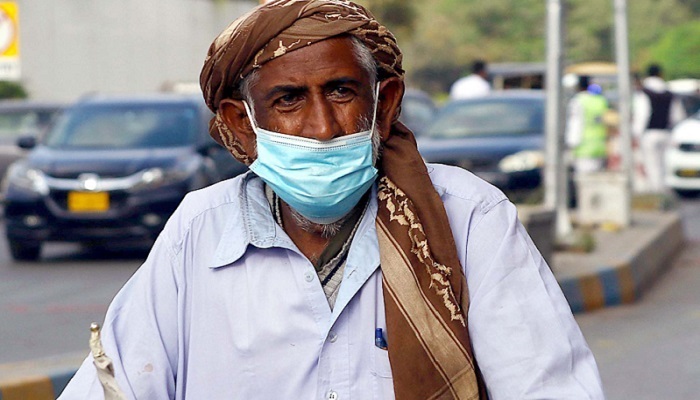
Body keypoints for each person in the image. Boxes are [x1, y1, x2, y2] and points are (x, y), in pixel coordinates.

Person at [59, 1, 604, 399]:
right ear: (241, 125)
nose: (321, 127)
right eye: (289, 99)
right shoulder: (197, 233)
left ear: (383, 105)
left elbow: (546, 386)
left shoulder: (468, 218)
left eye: (341, 92)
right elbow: (119, 387)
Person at [632, 64, 686, 192]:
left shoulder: (644, 93)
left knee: (652, 166)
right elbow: (678, 116)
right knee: (664, 166)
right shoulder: (669, 93)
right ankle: (663, 193)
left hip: (649, 134)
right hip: (666, 133)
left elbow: (642, 115)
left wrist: (636, 135)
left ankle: (656, 193)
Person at [565, 75, 610, 175]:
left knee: (585, 181)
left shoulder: (578, 101)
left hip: (584, 148)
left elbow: (575, 123)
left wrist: (570, 144)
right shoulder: (600, 100)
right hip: (600, 146)